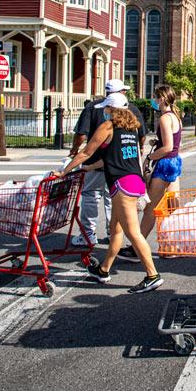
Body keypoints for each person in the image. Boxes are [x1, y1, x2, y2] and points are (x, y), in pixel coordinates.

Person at [55, 93, 162, 294]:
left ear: (112, 109)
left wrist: (64, 171)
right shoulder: (131, 129)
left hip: (122, 184)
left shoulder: (109, 127)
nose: (104, 111)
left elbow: (86, 151)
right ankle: (104, 269)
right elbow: (110, 159)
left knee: (133, 232)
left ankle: (152, 275)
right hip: (133, 181)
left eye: (106, 108)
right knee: (115, 230)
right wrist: (88, 168)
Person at [69, 79, 147, 246]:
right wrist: (137, 149)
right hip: (118, 166)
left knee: (90, 196)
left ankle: (88, 234)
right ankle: (113, 234)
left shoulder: (92, 107)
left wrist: (74, 151)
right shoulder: (130, 109)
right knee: (111, 198)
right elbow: (141, 135)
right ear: (121, 92)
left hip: (96, 161)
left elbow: (81, 134)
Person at [117, 85, 183, 262]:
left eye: (155, 97)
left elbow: (167, 147)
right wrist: (158, 141)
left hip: (164, 164)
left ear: (161, 99)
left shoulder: (164, 118)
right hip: (175, 163)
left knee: (151, 209)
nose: (153, 100)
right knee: (171, 208)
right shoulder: (176, 116)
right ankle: (170, 246)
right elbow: (174, 144)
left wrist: (149, 157)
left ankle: (137, 249)